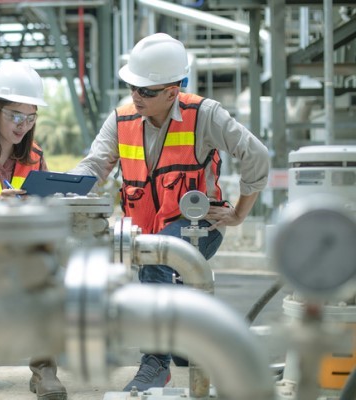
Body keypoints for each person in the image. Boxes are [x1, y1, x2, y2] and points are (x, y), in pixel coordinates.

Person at [68, 33, 270, 391]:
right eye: (132, 87)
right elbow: (94, 165)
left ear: (173, 91)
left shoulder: (205, 115)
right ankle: (187, 345)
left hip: (197, 226)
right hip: (146, 232)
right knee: (157, 263)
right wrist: (56, 185)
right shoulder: (121, 120)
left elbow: (257, 155)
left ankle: (154, 363)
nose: (136, 96)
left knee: (157, 259)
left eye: (146, 91)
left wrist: (239, 213)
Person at [0, 61, 67, 400]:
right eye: (14, 116)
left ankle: (44, 371)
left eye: (30, 117)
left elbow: (49, 209)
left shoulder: (34, 157)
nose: (22, 125)